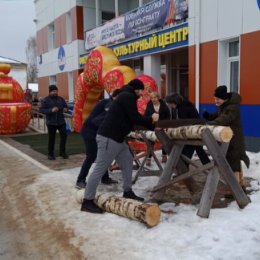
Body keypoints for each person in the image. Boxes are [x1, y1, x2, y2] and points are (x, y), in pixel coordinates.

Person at [81, 79, 159, 214]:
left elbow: (130, 119)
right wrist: (151, 119)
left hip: (118, 138)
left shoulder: (126, 96)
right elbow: (135, 118)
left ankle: (128, 191)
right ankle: (87, 201)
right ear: (136, 89)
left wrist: (149, 122)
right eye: (140, 90)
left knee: (128, 161)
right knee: (100, 168)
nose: (141, 94)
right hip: (109, 138)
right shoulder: (127, 97)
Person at [203, 85, 250, 188]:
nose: (215, 101)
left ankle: (236, 189)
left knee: (233, 162)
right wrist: (208, 116)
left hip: (234, 139)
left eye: (217, 99)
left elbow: (224, 119)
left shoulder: (232, 107)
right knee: (234, 161)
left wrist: (210, 124)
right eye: (215, 98)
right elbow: (217, 116)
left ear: (224, 98)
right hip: (228, 137)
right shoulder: (224, 106)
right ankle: (240, 186)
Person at [75, 89, 121, 189]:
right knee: (91, 156)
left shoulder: (112, 104)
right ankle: (80, 180)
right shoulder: (108, 104)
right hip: (89, 131)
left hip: (98, 132)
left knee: (103, 154)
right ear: (116, 97)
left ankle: (105, 178)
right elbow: (99, 121)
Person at [165, 93, 210, 165]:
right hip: (192, 132)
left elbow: (183, 123)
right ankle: (208, 165)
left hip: (193, 132)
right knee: (199, 150)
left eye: (169, 103)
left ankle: (184, 170)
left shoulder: (183, 108)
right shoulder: (178, 108)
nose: (169, 105)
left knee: (187, 151)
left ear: (173, 102)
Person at [40, 84, 69, 160]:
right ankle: (50, 154)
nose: (55, 92)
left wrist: (65, 109)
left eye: (56, 91)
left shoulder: (60, 99)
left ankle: (62, 152)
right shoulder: (45, 100)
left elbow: (65, 107)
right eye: (53, 91)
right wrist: (51, 110)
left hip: (61, 121)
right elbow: (42, 110)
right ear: (50, 92)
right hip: (51, 122)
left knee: (64, 136)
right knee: (51, 138)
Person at [144, 91, 170, 165]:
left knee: (163, 140)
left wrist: (163, 124)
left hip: (162, 126)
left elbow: (168, 116)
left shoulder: (164, 105)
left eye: (155, 97)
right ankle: (148, 158)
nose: (153, 99)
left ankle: (164, 155)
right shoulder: (149, 106)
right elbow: (145, 116)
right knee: (151, 142)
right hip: (152, 127)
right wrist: (151, 117)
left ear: (158, 97)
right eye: (152, 98)